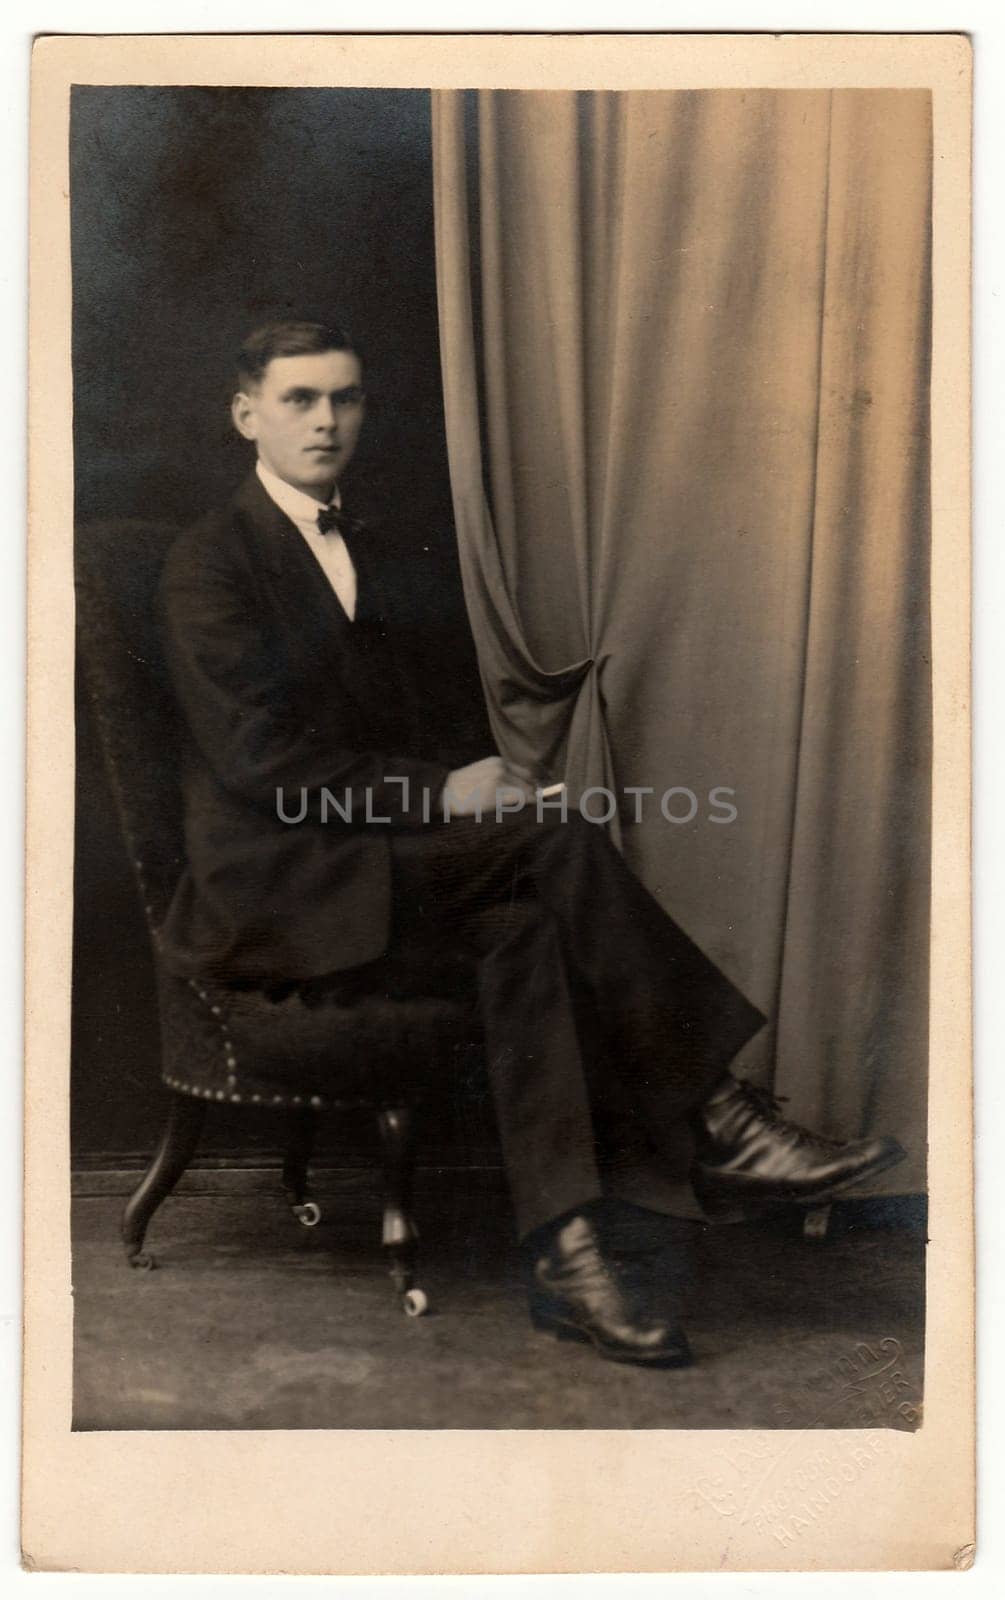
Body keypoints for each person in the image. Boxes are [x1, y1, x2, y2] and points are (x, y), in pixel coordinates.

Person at [157, 319, 906, 1369]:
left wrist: (479, 780)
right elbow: (261, 767)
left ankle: (568, 1254)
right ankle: (717, 1116)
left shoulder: (376, 546)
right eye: (299, 400)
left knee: (521, 930)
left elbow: (421, 726)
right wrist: (446, 792)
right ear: (247, 417)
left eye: (346, 397)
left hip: (374, 863)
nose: (327, 420)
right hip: (276, 879)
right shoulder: (210, 563)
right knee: (551, 843)